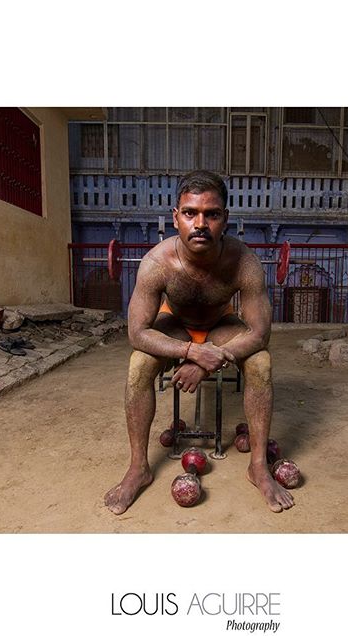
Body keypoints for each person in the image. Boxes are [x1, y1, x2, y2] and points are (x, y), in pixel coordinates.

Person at [104, 170, 295, 514]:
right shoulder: (156, 263)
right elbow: (137, 333)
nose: (201, 223)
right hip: (175, 325)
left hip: (220, 325)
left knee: (261, 360)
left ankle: (258, 466)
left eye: (212, 214)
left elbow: (259, 333)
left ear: (226, 219)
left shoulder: (245, 262)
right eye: (191, 213)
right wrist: (191, 352)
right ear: (176, 218)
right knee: (138, 363)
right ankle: (138, 468)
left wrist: (206, 362)